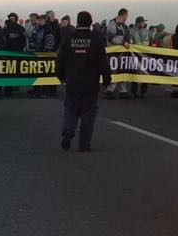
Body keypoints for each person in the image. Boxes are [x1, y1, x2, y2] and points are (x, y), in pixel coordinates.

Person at [56, 11, 112, 152]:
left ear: (78, 21)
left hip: (72, 79)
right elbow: (103, 62)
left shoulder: (69, 38)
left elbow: (60, 59)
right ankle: (84, 144)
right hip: (91, 81)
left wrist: (61, 76)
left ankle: (68, 130)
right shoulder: (96, 39)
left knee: (71, 108)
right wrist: (106, 80)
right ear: (90, 22)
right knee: (88, 111)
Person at [104, 9, 131, 98]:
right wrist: (123, 43)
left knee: (122, 69)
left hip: (122, 52)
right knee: (113, 70)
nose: (127, 17)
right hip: (114, 52)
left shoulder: (124, 26)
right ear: (123, 15)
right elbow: (110, 38)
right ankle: (110, 90)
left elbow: (127, 36)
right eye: (127, 15)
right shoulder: (112, 24)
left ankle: (123, 91)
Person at [0, 12, 28, 98]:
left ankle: (11, 88)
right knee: (6, 71)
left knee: (14, 71)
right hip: (6, 53)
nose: (11, 20)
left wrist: (20, 51)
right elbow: (1, 39)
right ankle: (7, 88)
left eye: (12, 18)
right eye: (10, 18)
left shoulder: (21, 29)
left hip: (16, 53)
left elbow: (24, 41)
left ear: (15, 18)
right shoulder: (5, 29)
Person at [129, 16, 151, 97]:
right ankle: (134, 92)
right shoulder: (131, 32)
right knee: (135, 74)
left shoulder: (147, 31)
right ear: (138, 23)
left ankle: (143, 92)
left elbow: (152, 40)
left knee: (145, 73)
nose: (144, 23)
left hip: (145, 56)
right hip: (135, 56)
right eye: (142, 22)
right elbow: (130, 43)